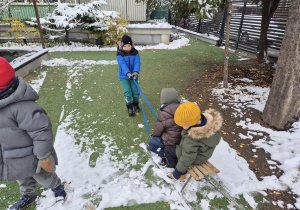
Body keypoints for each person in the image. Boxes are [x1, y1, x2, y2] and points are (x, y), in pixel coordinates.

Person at [0, 57, 66, 210]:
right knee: (21, 178)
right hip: (10, 155)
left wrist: (43, 157)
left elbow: (41, 131)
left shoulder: (23, 107)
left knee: (43, 176)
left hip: (32, 155)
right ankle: (29, 195)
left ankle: (57, 187)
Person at [165, 102, 223, 182]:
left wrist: (177, 172)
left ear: (191, 123)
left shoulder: (193, 138)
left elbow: (187, 157)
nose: (181, 126)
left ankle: (179, 172)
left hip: (196, 158)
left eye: (182, 124)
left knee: (168, 150)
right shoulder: (210, 124)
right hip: (204, 154)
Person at [148, 88, 183, 167]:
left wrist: (155, 136)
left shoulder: (164, 113)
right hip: (182, 139)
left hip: (171, 141)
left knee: (152, 143)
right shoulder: (183, 108)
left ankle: (164, 154)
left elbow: (158, 130)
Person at [116, 34, 141, 116]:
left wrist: (135, 72)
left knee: (135, 90)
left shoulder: (135, 53)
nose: (127, 48)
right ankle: (129, 107)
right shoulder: (119, 54)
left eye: (129, 46)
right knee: (127, 91)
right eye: (125, 46)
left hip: (134, 75)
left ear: (132, 45)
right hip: (124, 76)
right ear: (122, 46)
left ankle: (136, 105)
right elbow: (122, 64)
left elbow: (137, 63)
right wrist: (127, 73)